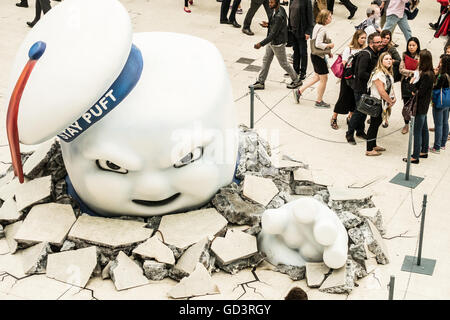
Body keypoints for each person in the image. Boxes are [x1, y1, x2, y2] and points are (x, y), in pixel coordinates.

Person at [250, 0, 302, 90]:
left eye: (272, 3)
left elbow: (273, 34)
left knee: (284, 64)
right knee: (266, 61)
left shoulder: (279, 15)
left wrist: (260, 44)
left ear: (277, 3)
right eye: (269, 2)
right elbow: (277, 26)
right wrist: (269, 24)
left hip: (277, 43)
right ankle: (261, 82)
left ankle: (296, 80)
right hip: (272, 42)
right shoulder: (278, 10)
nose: (269, 4)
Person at [346, 32, 382, 144]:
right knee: (358, 112)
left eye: (380, 41)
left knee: (364, 112)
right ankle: (349, 134)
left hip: (367, 88)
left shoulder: (375, 53)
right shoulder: (366, 55)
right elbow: (361, 73)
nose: (380, 44)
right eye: (378, 42)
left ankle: (360, 131)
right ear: (371, 43)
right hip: (360, 89)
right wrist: (374, 78)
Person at [293, 9, 334, 108]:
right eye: (330, 17)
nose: (331, 18)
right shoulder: (323, 29)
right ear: (325, 19)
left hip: (315, 55)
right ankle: (319, 101)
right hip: (319, 57)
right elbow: (318, 44)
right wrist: (329, 45)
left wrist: (328, 52)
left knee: (317, 77)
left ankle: (299, 91)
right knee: (324, 79)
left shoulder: (317, 26)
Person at [403, 50, 435, 164]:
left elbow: (419, 92)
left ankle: (415, 156)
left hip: (420, 106)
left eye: (419, 58)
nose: (417, 60)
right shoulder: (429, 73)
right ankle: (424, 151)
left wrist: (410, 85)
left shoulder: (426, 75)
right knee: (424, 129)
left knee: (417, 131)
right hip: (424, 106)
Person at [331, 29, 367, 129]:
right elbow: (344, 63)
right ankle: (334, 117)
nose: (363, 40)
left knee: (353, 99)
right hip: (348, 78)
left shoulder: (365, 49)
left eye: (365, 38)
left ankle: (350, 116)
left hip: (357, 79)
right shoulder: (349, 49)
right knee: (343, 97)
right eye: (362, 38)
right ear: (356, 38)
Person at [365, 52, 396, 156]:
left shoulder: (387, 72)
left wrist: (393, 96)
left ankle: (373, 145)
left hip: (384, 103)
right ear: (381, 61)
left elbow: (390, 86)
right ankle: (369, 149)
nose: (389, 61)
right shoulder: (379, 74)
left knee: (376, 124)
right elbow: (381, 91)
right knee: (373, 125)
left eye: (390, 59)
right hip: (377, 103)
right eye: (386, 59)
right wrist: (389, 101)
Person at [288, 0, 314, 80]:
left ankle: (303, 72)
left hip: (302, 30)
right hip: (293, 30)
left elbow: (310, 16)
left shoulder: (306, 1)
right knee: (295, 51)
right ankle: (295, 70)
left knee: (303, 52)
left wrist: (308, 31)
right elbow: (290, 13)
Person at [399, 37, 420, 134]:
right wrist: (412, 72)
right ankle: (406, 124)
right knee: (406, 104)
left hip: (416, 83)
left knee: (415, 104)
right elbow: (401, 69)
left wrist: (413, 73)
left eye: (413, 45)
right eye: (410, 45)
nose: (411, 47)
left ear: (417, 46)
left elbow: (420, 71)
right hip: (405, 83)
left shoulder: (420, 56)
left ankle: (415, 124)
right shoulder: (404, 55)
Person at [430, 54, 450, 153]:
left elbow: (435, 86)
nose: (439, 63)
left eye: (441, 61)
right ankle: (443, 144)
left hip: (439, 101)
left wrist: (435, 75)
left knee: (438, 124)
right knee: (445, 122)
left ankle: (436, 147)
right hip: (447, 101)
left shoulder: (442, 76)